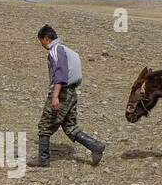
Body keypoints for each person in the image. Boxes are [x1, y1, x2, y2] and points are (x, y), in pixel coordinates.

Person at [27, 25, 105, 168]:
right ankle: (95, 146)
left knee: (45, 125)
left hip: (61, 92)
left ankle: (43, 160)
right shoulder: (70, 51)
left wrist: (55, 96)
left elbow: (61, 74)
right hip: (71, 92)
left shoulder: (55, 50)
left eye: (42, 42)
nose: (43, 45)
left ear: (46, 38)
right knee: (70, 127)